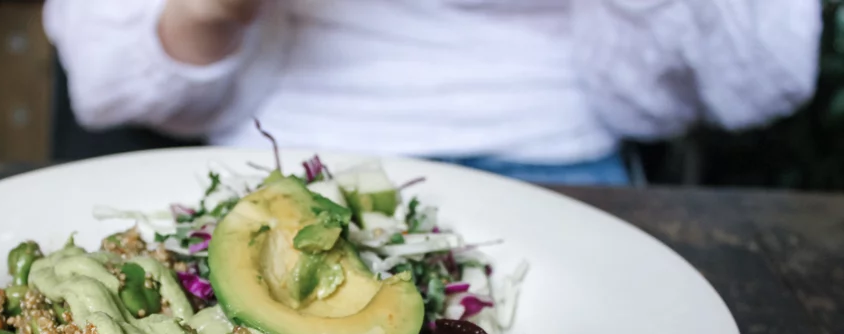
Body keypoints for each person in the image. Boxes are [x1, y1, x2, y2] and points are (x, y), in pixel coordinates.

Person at [43, 0, 821, 186]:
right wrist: (212, 9)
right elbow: (114, 85)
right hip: (284, 149)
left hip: (560, 155)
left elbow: (738, 85)